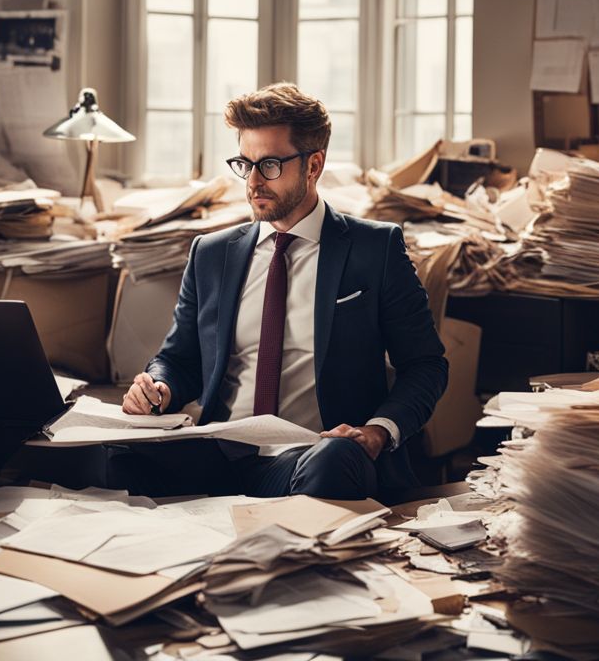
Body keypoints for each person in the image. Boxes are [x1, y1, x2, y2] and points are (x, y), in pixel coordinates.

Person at [120, 82, 448, 500]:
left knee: (335, 461)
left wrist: (378, 431)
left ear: (314, 165)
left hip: (310, 455)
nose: (253, 181)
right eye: (245, 163)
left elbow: (425, 365)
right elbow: (179, 359)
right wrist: (158, 387)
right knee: (113, 456)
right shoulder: (211, 253)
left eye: (270, 164)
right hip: (218, 454)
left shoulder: (374, 250)